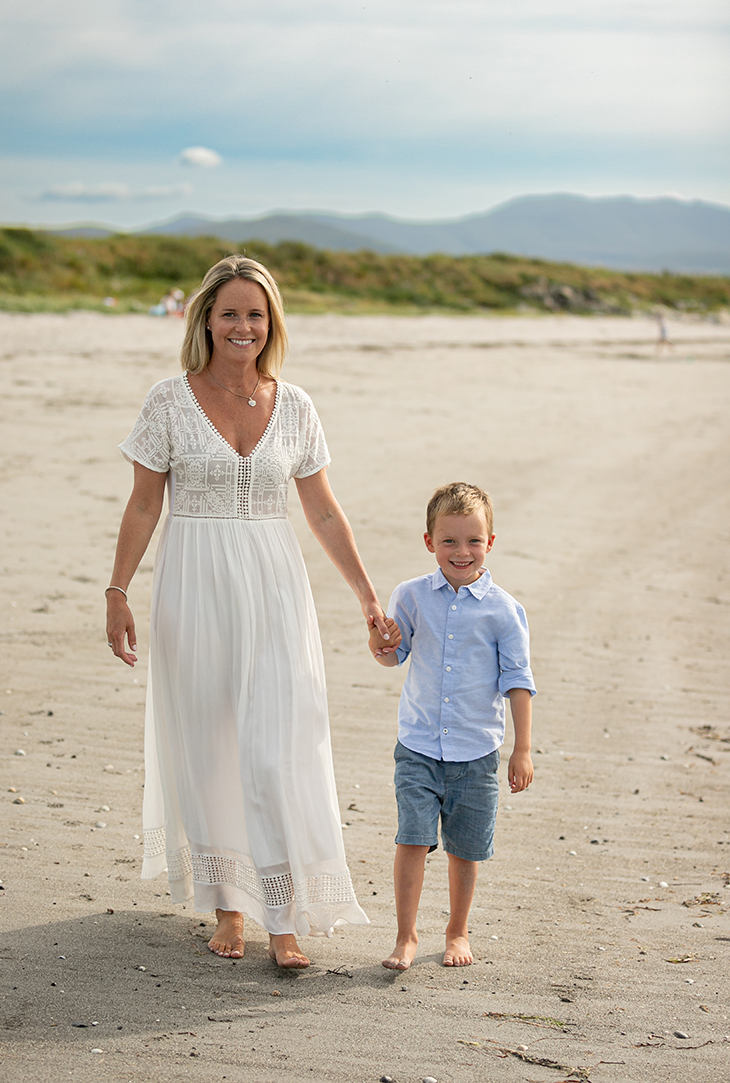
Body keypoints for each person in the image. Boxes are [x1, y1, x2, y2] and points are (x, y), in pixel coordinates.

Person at [106, 255, 389, 969]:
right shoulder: (168, 400)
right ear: (205, 318)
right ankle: (232, 906)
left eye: (255, 314)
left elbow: (322, 512)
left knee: (277, 743)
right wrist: (117, 591)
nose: (243, 326)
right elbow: (144, 504)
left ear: (272, 324)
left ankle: (284, 915)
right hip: (192, 580)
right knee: (209, 744)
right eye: (229, 312)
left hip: (273, 583)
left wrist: (366, 596)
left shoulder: (293, 404)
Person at [368, 482, 535, 971]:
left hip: (477, 753)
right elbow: (390, 656)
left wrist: (522, 749)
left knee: (466, 850)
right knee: (411, 839)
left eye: (473, 541)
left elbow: (518, 682)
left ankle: (457, 931)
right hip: (418, 745)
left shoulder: (504, 610)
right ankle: (406, 935)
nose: (461, 552)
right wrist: (378, 637)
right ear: (429, 542)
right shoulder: (412, 595)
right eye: (449, 541)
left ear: (490, 542)